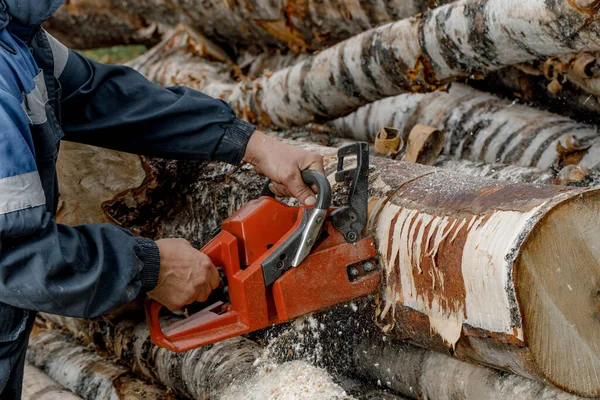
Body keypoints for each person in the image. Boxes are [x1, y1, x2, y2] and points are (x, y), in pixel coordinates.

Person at [0, 1, 324, 397]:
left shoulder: (19, 34)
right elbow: (13, 253)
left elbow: (101, 94)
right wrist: (150, 267)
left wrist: (250, 143)